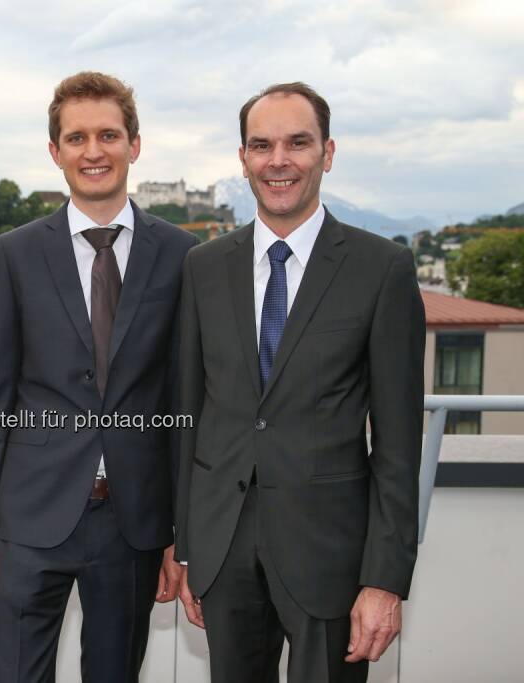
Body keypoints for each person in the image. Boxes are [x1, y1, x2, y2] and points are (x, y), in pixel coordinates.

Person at [174, 82, 425, 682]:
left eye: (298, 143)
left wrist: (384, 579)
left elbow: (397, 443)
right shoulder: (203, 267)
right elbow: (188, 414)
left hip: (332, 557)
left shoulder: (381, 269)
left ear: (328, 153)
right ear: (243, 160)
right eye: (261, 145)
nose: (278, 160)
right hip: (223, 548)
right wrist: (184, 545)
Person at [0, 71, 197, 682]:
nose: (94, 151)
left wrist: (181, 534)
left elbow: (184, 400)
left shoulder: (181, 254)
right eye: (77, 138)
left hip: (134, 525)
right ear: (55, 151)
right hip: (26, 521)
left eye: (109, 135)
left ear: (134, 144)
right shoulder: (14, 253)